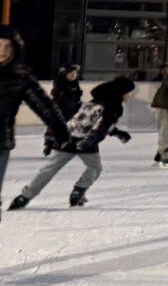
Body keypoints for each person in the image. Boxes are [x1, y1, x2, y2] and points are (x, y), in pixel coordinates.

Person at [10, 76, 135, 209]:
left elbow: (92, 121)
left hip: (68, 137)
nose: (130, 96)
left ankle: (24, 197)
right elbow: (101, 127)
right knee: (95, 168)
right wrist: (88, 142)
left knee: (50, 169)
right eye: (129, 92)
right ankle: (79, 191)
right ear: (122, 92)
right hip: (85, 141)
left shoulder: (97, 100)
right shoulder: (113, 106)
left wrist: (116, 132)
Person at [1, 26, 72, 198]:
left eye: (7, 47)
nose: (2, 51)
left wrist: (61, 131)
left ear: (16, 49)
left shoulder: (20, 76)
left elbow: (44, 105)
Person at [46, 63, 83, 154]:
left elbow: (77, 97)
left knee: (73, 128)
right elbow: (55, 96)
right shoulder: (59, 83)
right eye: (71, 74)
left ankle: (72, 145)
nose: (73, 76)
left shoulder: (75, 84)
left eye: (75, 74)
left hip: (71, 110)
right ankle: (49, 145)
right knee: (55, 128)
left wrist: (78, 104)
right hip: (60, 110)